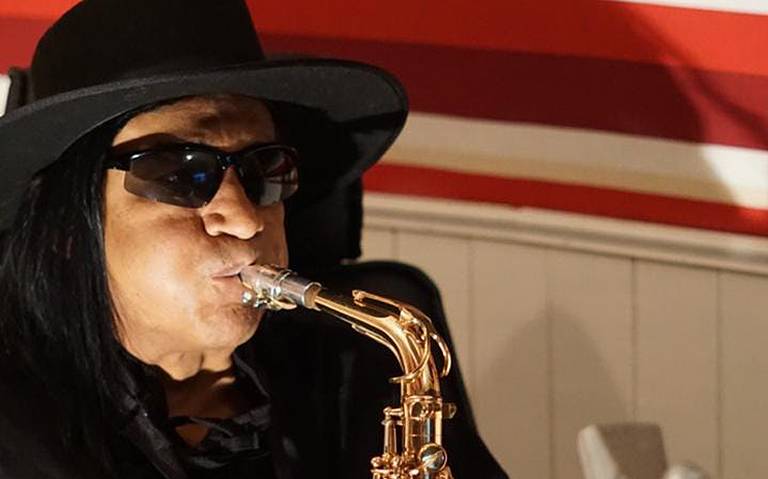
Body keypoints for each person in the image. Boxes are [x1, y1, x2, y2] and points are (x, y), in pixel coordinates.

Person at [0, 1, 508, 478]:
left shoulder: (358, 363)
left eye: (266, 169)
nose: (246, 221)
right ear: (65, 227)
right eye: (180, 175)